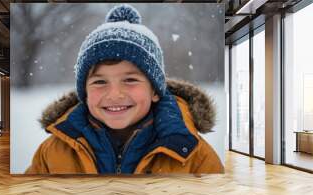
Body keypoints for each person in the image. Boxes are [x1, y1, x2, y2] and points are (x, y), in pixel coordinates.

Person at [25, 4, 224, 174]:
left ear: (155, 91)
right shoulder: (54, 152)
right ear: (84, 93)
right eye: (100, 82)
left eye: (130, 79)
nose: (114, 94)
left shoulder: (192, 153)